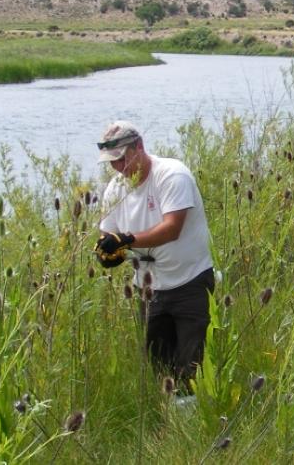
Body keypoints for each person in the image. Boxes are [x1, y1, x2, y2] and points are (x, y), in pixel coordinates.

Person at [94, 120, 215, 394]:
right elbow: (107, 235)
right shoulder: (115, 190)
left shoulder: (172, 175)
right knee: (160, 367)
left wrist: (128, 240)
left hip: (190, 283)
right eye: (112, 162)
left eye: (122, 159)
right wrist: (108, 253)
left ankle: (198, 425)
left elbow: (172, 228)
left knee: (192, 366)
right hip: (149, 290)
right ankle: (172, 426)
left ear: (139, 147)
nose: (118, 168)